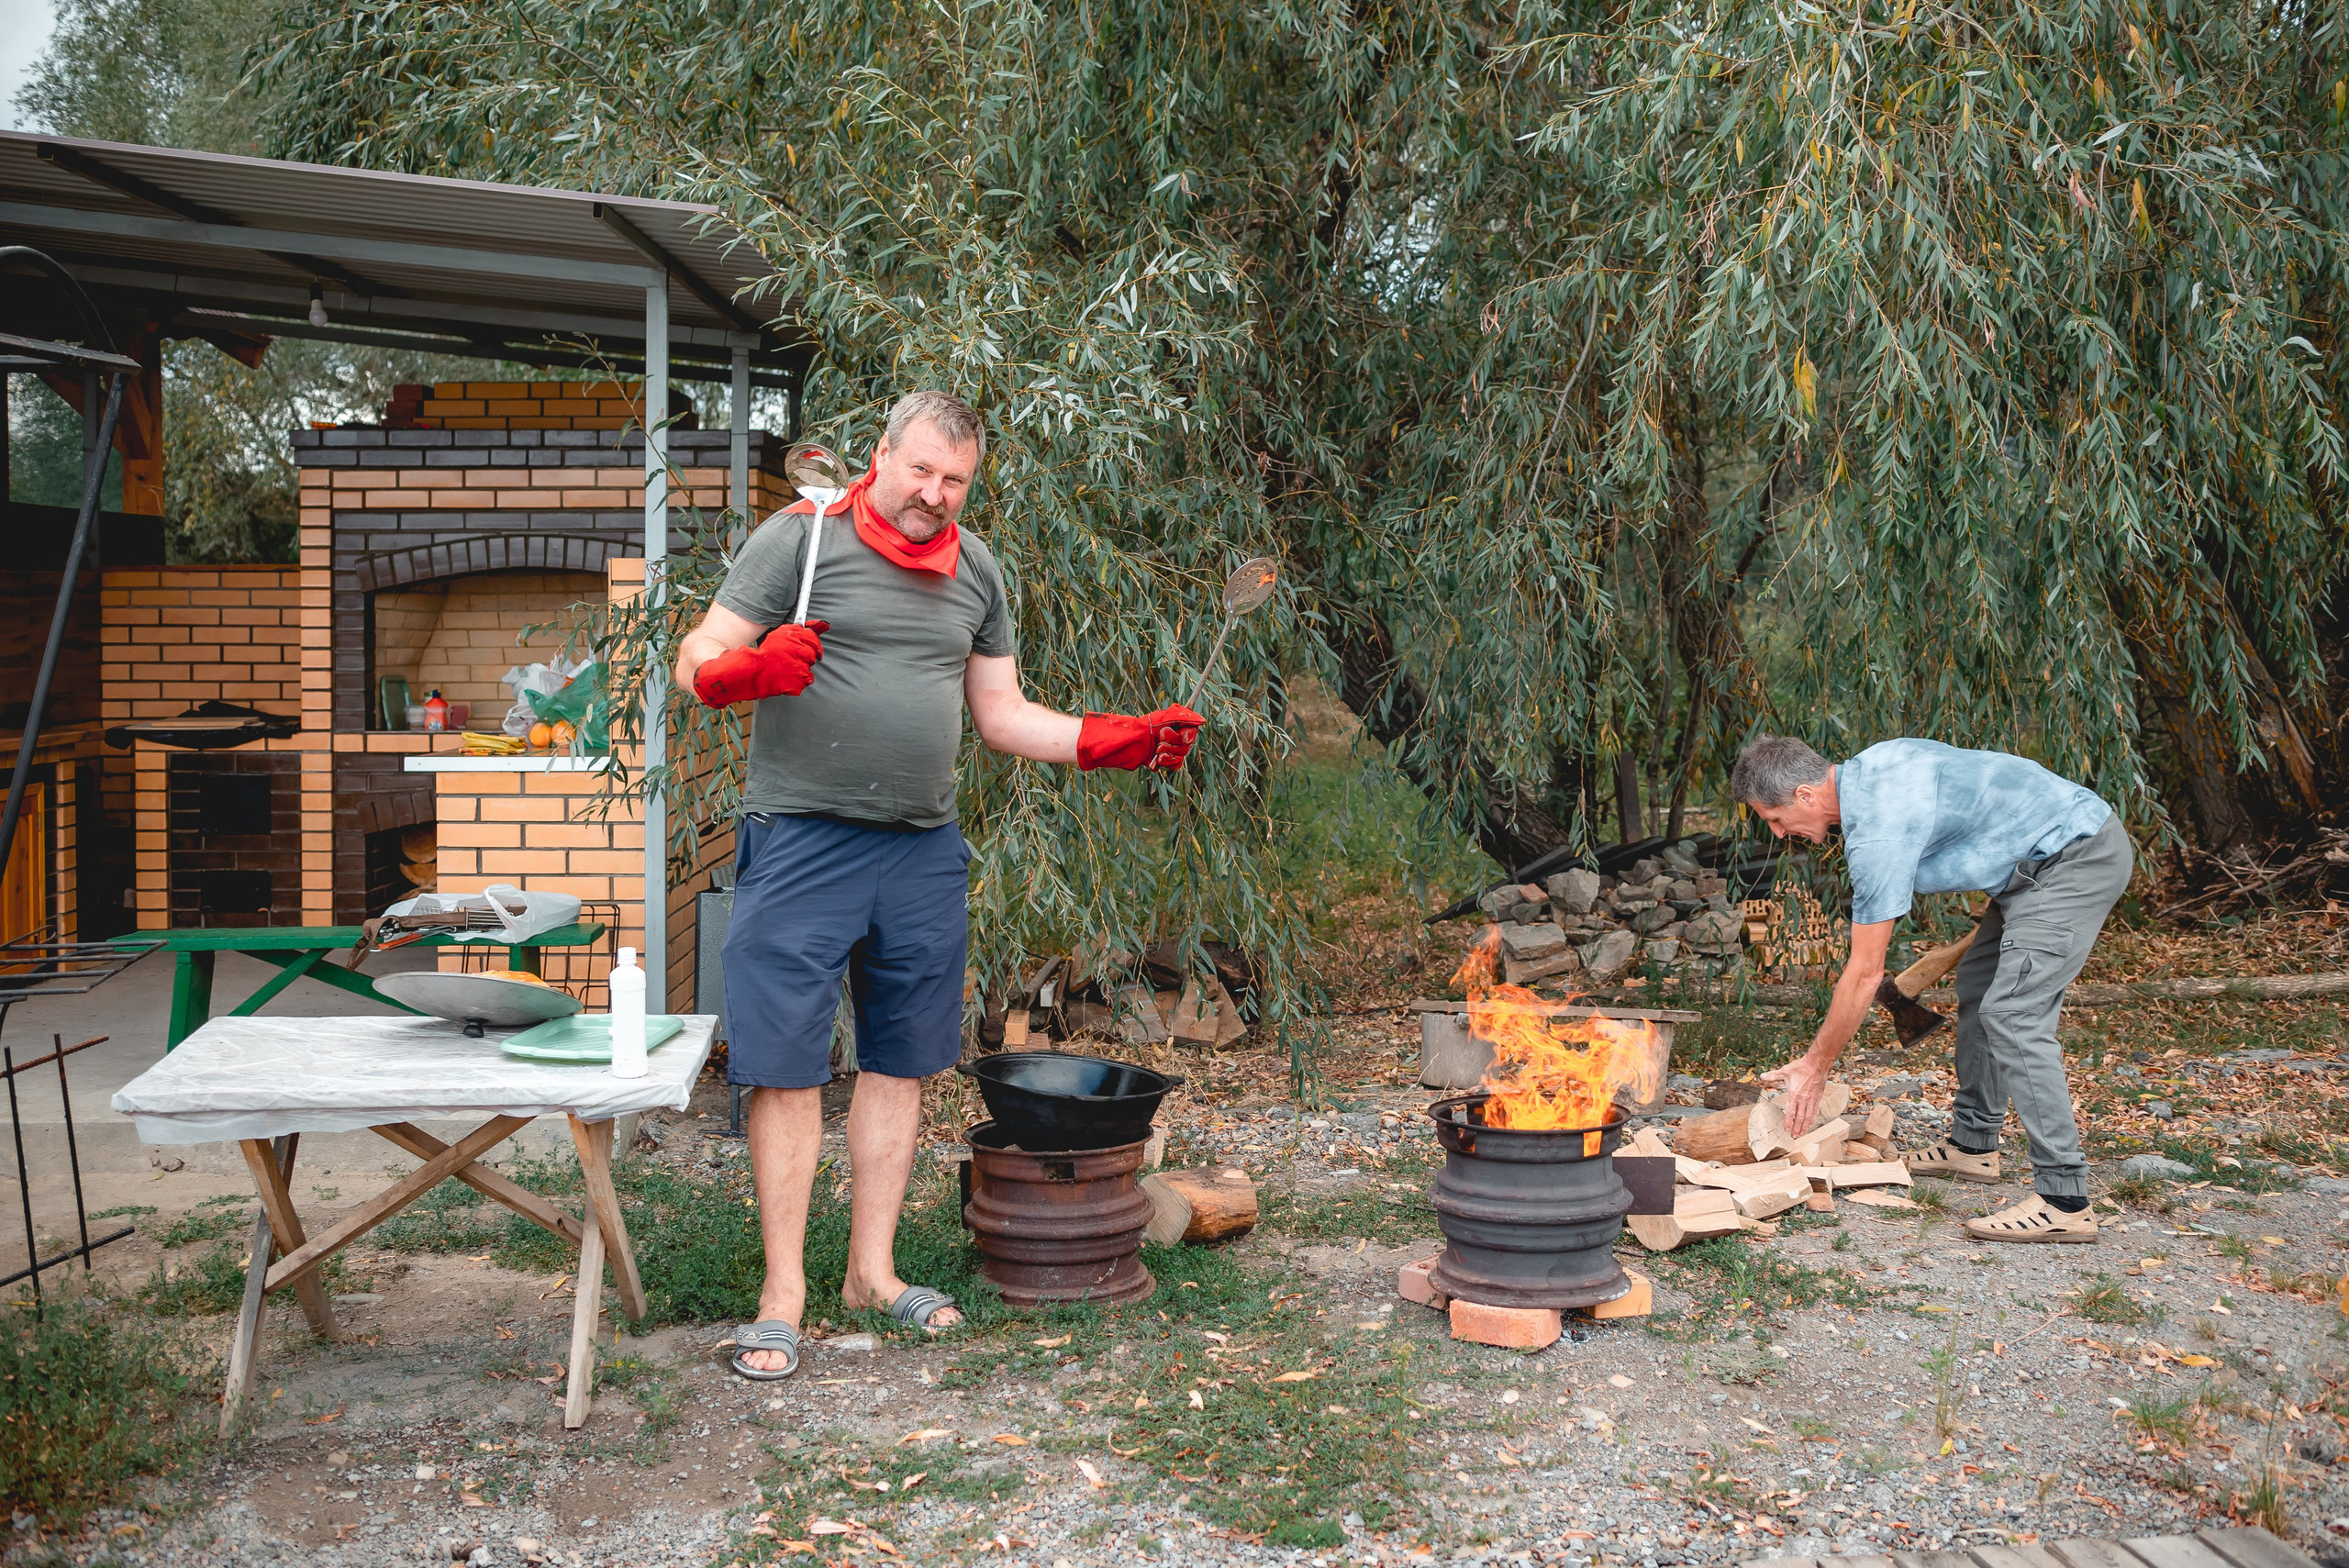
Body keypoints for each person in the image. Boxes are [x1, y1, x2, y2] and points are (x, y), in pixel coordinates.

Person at [674, 390, 1204, 1377]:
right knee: (786, 1065)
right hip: (801, 839)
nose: (933, 493)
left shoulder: (976, 569)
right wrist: (737, 673)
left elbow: (1001, 713)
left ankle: (870, 1274)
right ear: (881, 456)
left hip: (920, 850)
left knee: (900, 1060)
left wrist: (1113, 740)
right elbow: (696, 651)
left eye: (954, 479)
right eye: (920, 469)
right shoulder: (804, 536)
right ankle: (782, 1294)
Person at [1730, 735, 2132, 1244]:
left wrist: (1815, 1065)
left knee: (2013, 1013)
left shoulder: (1876, 833)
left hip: (2074, 855)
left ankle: (2064, 1199)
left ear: (1805, 795)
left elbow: (1865, 972)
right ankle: (1973, 1146)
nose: (1778, 831)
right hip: (2026, 869)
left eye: (1775, 817)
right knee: (1979, 983)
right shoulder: (1876, 763)